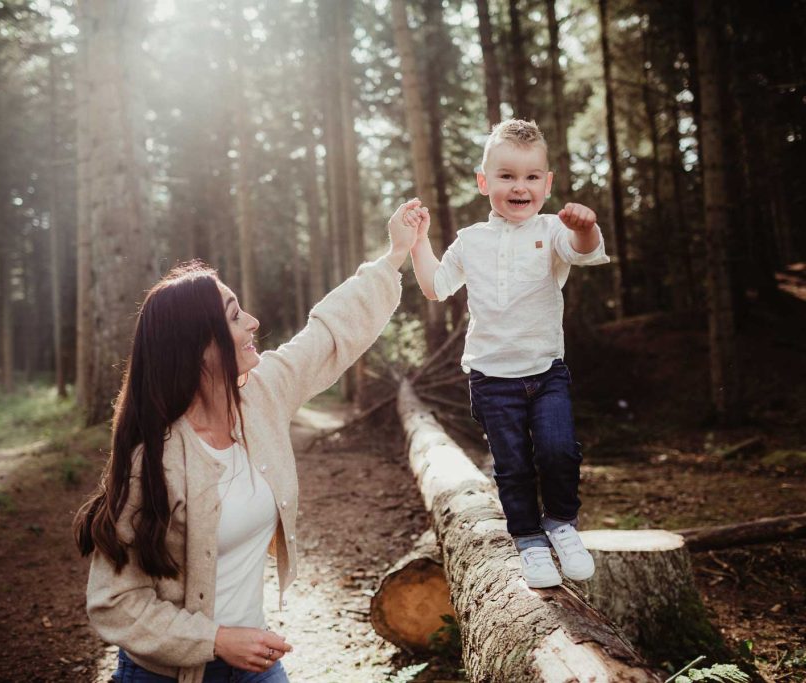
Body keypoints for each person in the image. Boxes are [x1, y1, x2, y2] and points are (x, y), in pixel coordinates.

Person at [74, 199, 426, 682]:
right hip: (167, 674)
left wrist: (394, 256)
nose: (253, 322)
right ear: (200, 346)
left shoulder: (260, 395)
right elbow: (113, 601)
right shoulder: (152, 461)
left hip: (255, 663)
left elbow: (328, 333)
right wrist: (215, 641)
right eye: (236, 315)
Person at [408, 119, 608, 589]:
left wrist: (586, 227)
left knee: (559, 450)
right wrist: (419, 241)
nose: (520, 186)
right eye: (507, 176)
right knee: (513, 464)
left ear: (547, 183)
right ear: (485, 182)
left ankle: (561, 523)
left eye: (531, 176)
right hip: (491, 378)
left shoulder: (554, 230)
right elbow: (436, 287)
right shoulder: (471, 241)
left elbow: (584, 252)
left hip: (546, 371)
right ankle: (528, 540)